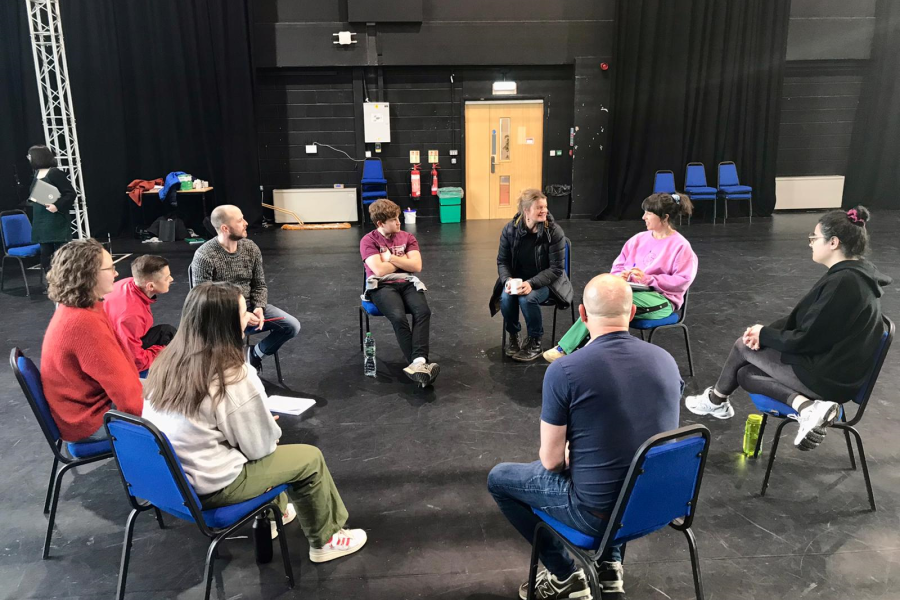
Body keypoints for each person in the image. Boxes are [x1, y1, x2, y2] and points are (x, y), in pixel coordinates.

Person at [488, 275, 683, 600]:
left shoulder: (565, 371)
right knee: (621, 462)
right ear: (632, 313)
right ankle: (609, 569)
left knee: (499, 480)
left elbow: (550, 461)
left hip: (596, 514)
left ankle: (566, 575)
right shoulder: (666, 360)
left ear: (582, 314)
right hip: (657, 503)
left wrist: (570, 453)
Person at [142, 282, 366, 562]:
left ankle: (278, 513)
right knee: (308, 459)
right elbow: (260, 448)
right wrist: (264, 426)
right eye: (242, 312)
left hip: (170, 480)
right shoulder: (232, 374)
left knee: (249, 442)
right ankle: (327, 539)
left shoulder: (167, 361)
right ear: (225, 323)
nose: (248, 318)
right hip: (211, 486)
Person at [685, 206, 890, 448]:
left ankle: (716, 400)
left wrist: (764, 335)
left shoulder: (844, 282)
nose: (811, 243)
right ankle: (806, 407)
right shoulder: (854, 275)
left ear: (833, 242)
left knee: (742, 347)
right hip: (834, 367)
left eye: (815, 238)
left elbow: (805, 339)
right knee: (743, 374)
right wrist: (763, 333)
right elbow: (806, 319)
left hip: (829, 377)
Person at [544, 192, 697, 362]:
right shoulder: (638, 239)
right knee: (600, 301)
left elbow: (682, 281)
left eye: (648, 213)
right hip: (633, 292)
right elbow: (618, 265)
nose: (643, 217)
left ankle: (568, 351)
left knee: (609, 305)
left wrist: (649, 279)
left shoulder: (681, 246)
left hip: (662, 300)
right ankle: (578, 353)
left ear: (665, 217)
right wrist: (620, 276)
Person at [41, 239, 144, 442]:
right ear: (88, 275)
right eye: (110, 268)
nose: (116, 273)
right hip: (89, 422)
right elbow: (128, 398)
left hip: (83, 410)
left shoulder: (77, 309)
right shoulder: (83, 323)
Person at [190, 205, 300, 375]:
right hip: (221, 316)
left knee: (291, 325)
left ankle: (254, 354)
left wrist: (258, 308)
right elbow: (203, 301)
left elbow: (259, 284)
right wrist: (239, 315)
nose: (246, 223)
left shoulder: (250, 248)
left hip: (250, 309)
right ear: (225, 228)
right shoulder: (204, 256)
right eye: (240, 220)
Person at [360, 198, 439, 385]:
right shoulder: (368, 240)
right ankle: (418, 363)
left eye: (398, 218)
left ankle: (417, 363)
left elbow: (417, 266)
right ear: (380, 223)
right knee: (398, 316)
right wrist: (402, 261)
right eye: (394, 220)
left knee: (423, 311)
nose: (399, 222)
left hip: (408, 282)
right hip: (381, 286)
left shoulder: (407, 237)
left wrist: (390, 259)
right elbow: (378, 271)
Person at [489, 189, 573, 362]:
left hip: (547, 282)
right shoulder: (510, 230)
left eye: (545, 207)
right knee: (506, 297)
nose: (544, 211)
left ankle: (535, 340)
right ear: (526, 211)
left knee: (527, 298)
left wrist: (532, 283)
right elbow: (502, 261)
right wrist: (507, 280)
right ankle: (513, 335)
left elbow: (557, 269)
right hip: (518, 280)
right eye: (539, 207)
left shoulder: (554, 232)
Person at [103, 255, 176, 373]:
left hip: (114, 336)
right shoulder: (132, 316)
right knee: (170, 342)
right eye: (166, 278)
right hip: (113, 354)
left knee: (167, 332)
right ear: (150, 286)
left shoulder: (128, 283)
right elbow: (137, 362)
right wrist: (162, 351)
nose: (171, 279)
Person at [26, 145, 77, 276]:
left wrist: (57, 205)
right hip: (41, 220)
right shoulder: (36, 174)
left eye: (30, 155)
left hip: (55, 219)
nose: (28, 158)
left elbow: (70, 193)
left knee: (62, 253)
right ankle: (52, 282)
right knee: (46, 254)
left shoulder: (54, 173)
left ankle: (66, 280)